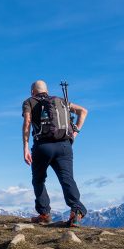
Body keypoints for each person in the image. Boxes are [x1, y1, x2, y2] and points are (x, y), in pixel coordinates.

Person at [22, 80, 88, 227]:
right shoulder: (61, 102)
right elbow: (83, 111)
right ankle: (76, 212)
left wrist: (25, 147)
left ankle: (44, 214)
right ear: (47, 91)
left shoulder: (29, 102)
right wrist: (74, 133)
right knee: (67, 179)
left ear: (33, 91)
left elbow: (27, 122)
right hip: (64, 145)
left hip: (42, 147)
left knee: (38, 180)